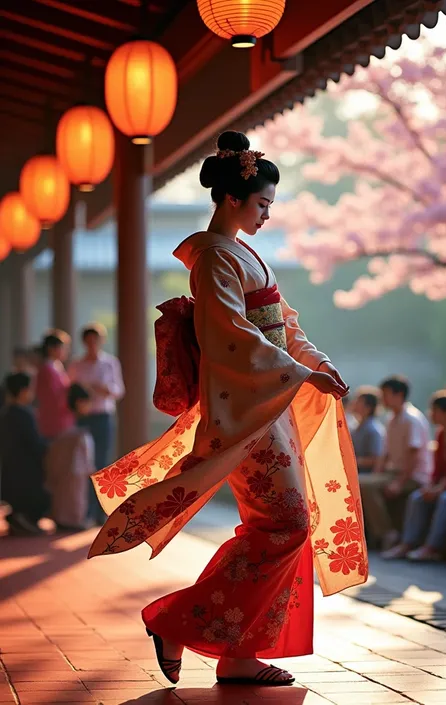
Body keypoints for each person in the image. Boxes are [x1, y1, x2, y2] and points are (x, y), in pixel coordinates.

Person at [86, 131, 368, 687]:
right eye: (261, 204)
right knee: (283, 522)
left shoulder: (240, 253)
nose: (266, 215)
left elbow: (283, 324)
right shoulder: (214, 257)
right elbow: (230, 335)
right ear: (232, 200)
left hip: (265, 406)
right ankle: (178, 622)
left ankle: (235, 652)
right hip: (243, 410)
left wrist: (315, 361)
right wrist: (297, 371)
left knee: (281, 523)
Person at [382, 391, 446, 561]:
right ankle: (407, 543)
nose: (431, 414)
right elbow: (438, 468)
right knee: (417, 497)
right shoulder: (441, 433)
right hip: (444, 484)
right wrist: (432, 485)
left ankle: (432, 547)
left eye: (435, 410)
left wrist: (443, 487)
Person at [359, 375, 432, 551]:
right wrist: (377, 474)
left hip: (413, 475)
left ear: (398, 395)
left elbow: (412, 456)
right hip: (394, 472)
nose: (382, 399)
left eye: (385, 394)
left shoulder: (411, 418)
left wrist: (399, 483)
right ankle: (375, 535)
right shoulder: (392, 419)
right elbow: (385, 454)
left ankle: (387, 533)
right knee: (361, 482)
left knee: (364, 484)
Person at [68, 323, 124, 525]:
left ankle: (101, 511)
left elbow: (119, 390)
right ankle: (85, 511)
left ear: (101, 341)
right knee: (84, 464)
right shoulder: (76, 365)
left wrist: (104, 389)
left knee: (102, 463)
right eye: (89, 341)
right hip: (83, 418)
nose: (92, 344)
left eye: (95, 340)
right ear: (84, 342)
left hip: (102, 417)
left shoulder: (110, 363)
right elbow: (70, 391)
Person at [0, 372, 49, 535]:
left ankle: (18, 518)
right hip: (26, 476)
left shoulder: (6, 414)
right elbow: (36, 445)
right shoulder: (24, 415)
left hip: (9, 475)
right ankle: (23, 518)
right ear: (23, 391)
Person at [45, 384, 95, 532]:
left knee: (65, 494)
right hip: (74, 464)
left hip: (64, 463)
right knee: (75, 495)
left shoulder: (68, 418)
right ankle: (73, 521)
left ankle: (65, 520)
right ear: (80, 402)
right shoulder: (76, 422)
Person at [35, 330, 74, 441]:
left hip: (61, 418)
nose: (66, 351)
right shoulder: (47, 370)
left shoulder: (56, 366)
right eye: (63, 347)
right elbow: (53, 397)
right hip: (53, 420)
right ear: (52, 349)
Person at [351, 387, 385, 474]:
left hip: (366, 474)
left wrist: (354, 461)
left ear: (368, 407)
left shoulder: (373, 429)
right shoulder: (356, 426)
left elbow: (376, 459)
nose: (354, 403)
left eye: (358, 401)